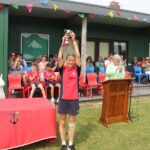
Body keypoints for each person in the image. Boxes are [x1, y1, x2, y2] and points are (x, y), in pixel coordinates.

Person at [58, 31, 81, 150]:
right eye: (69, 60)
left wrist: (74, 41)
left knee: (71, 124)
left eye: (72, 60)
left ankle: (70, 144)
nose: (71, 62)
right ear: (66, 61)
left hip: (73, 100)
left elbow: (78, 56)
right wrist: (63, 44)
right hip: (63, 100)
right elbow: (59, 57)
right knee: (62, 123)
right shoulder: (63, 69)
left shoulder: (76, 69)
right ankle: (63, 143)